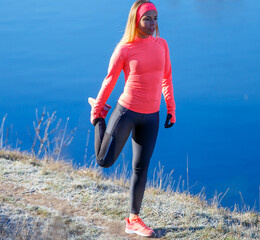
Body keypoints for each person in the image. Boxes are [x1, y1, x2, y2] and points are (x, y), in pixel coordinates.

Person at [88, 0, 175, 237]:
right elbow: (110, 80)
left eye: (155, 18)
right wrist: (97, 109)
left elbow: (166, 78)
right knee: (104, 161)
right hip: (126, 112)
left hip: (151, 116)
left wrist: (171, 107)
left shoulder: (162, 45)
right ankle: (99, 119)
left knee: (140, 168)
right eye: (148, 19)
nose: (153, 23)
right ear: (136, 21)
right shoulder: (125, 49)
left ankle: (133, 218)